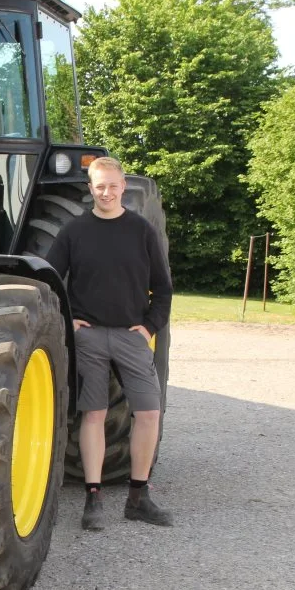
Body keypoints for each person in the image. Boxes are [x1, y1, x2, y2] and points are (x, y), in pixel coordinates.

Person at [45, 156, 174, 531]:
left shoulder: (140, 231)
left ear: (122, 187)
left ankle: (138, 496)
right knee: (94, 415)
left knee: (149, 413)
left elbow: (163, 288)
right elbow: (50, 281)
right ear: (91, 189)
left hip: (132, 336)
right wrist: (70, 322)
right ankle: (93, 497)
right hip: (90, 339)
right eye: (99, 186)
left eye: (113, 186)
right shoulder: (74, 232)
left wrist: (149, 328)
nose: (106, 192)